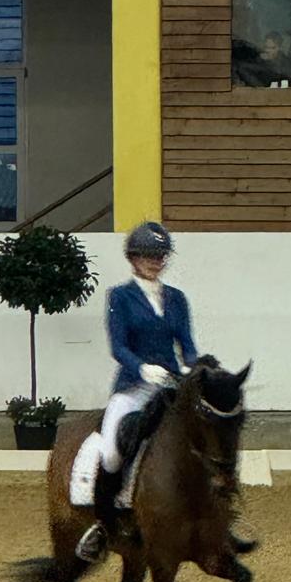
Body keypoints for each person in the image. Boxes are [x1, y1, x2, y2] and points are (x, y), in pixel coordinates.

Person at [75, 221, 199, 562]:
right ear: (133, 258)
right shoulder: (120, 297)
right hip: (133, 387)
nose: (155, 262)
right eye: (148, 255)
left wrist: (192, 367)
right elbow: (118, 346)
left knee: (204, 436)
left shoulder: (177, 299)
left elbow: (187, 344)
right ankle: (103, 524)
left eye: (160, 256)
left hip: (170, 387)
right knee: (112, 452)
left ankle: (213, 513)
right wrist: (143, 368)